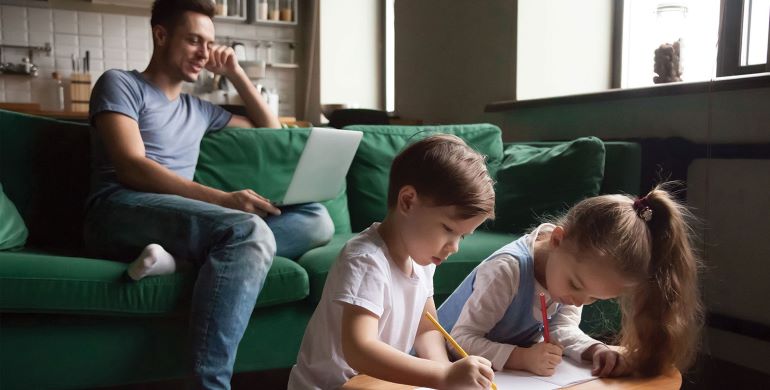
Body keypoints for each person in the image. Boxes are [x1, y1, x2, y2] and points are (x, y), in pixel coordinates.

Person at [84, 0, 334, 388]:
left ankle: (180, 262)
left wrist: (235, 72)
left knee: (316, 218)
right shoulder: (120, 83)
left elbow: (272, 132)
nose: (204, 53)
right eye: (194, 40)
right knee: (247, 232)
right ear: (161, 35)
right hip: (118, 208)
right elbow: (132, 166)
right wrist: (222, 199)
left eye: (210, 43)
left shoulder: (197, 109)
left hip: (178, 220)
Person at [288, 134, 498, 389]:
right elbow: (360, 349)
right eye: (448, 229)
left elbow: (427, 329)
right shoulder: (366, 260)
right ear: (408, 201)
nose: (453, 247)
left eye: (462, 236)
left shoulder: (423, 260)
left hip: (374, 383)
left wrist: (446, 373)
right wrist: (442, 377)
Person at [437, 184, 702, 378]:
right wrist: (521, 357)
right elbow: (458, 339)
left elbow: (562, 327)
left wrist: (595, 349)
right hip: (437, 366)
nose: (579, 300)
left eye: (594, 298)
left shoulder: (570, 276)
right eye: (576, 285)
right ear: (557, 240)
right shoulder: (507, 270)